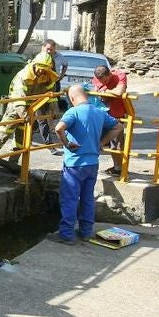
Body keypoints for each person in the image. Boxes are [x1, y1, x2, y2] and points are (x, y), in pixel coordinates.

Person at [48, 85, 121, 244]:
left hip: (74, 164)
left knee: (69, 199)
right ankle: (86, 232)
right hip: (92, 164)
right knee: (87, 198)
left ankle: (66, 235)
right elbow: (118, 126)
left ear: (72, 98)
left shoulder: (73, 112)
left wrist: (66, 143)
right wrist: (101, 143)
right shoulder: (99, 112)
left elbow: (59, 128)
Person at [0, 48, 61, 162]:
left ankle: (13, 162)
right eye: (40, 69)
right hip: (16, 105)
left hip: (31, 107)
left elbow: (51, 95)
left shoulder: (48, 76)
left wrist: (54, 110)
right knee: (5, 130)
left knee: (23, 136)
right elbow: (19, 99)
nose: (41, 72)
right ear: (34, 65)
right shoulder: (23, 76)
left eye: (45, 70)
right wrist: (24, 115)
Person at [90, 63, 129, 176]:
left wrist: (105, 91)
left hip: (117, 113)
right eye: (99, 81)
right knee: (102, 141)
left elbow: (119, 92)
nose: (102, 83)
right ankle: (116, 167)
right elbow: (96, 91)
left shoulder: (119, 76)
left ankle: (119, 168)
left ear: (109, 75)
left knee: (117, 142)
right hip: (102, 113)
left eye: (104, 80)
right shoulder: (97, 78)